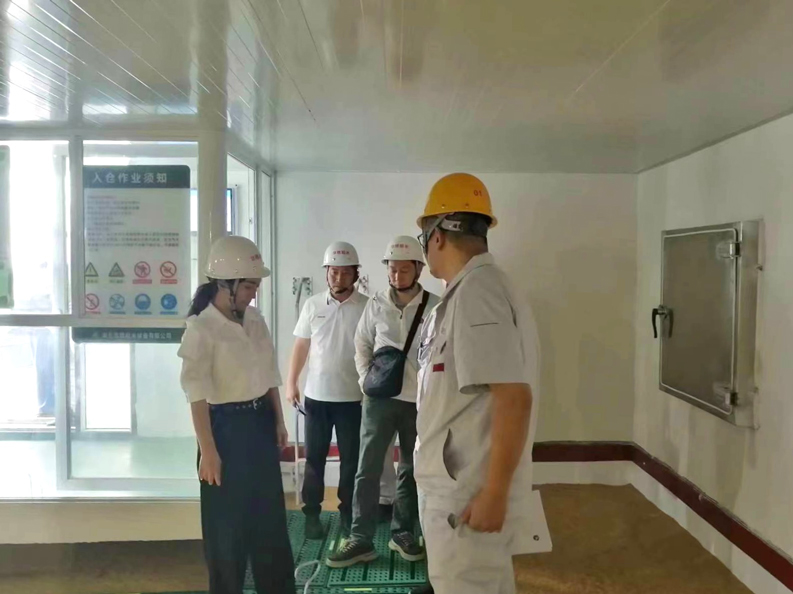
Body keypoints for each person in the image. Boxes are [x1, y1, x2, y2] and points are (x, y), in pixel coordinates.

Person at [414, 173, 542, 594]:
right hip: (460, 489)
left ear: (437, 235)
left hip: (465, 498)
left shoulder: (477, 293)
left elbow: (513, 397)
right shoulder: (472, 291)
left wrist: (494, 494)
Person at [178, 235, 294, 594]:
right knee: (226, 530)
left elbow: (269, 373)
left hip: (259, 423)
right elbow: (196, 395)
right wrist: (209, 451)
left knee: (269, 520)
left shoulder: (255, 319)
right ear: (224, 284)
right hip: (223, 431)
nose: (253, 294)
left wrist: (278, 420)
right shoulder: (201, 328)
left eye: (255, 286)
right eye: (247, 286)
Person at [327, 236, 439, 568]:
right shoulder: (376, 304)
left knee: (411, 468)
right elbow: (362, 343)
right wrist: (365, 381)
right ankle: (360, 538)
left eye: (404, 269)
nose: (397, 276)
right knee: (368, 468)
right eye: (392, 269)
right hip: (379, 400)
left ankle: (402, 532)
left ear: (418, 269)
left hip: (419, 401)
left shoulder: (436, 306)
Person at [287, 241, 368, 540]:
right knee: (314, 460)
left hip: (353, 399)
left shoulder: (367, 306)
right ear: (326, 273)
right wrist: (291, 382)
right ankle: (312, 514)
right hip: (317, 398)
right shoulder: (312, 305)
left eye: (345, 272)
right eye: (333, 272)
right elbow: (301, 346)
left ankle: (347, 514)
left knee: (351, 461)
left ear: (355, 274)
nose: (338, 277)